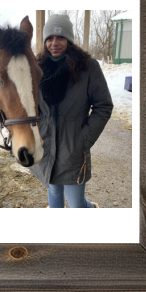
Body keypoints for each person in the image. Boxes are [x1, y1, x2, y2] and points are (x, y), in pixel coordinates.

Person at [30, 14, 113, 208]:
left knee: (76, 205)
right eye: (49, 38)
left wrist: (84, 139)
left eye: (60, 37)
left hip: (73, 147)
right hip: (47, 146)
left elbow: (103, 105)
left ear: (69, 40)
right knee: (54, 190)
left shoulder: (88, 67)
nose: (54, 43)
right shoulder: (37, 68)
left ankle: (89, 209)